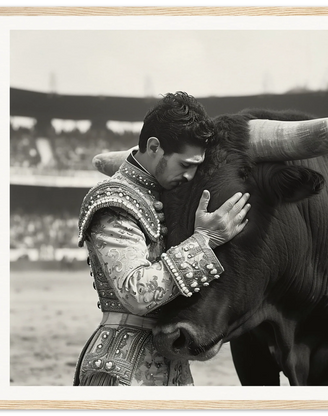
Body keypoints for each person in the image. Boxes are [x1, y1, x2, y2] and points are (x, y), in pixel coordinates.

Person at [74, 92, 251, 386]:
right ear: (154, 147)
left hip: (172, 367)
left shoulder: (167, 194)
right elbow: (136, 293)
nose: (191, 175)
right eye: (185, 165)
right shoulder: (115, 200)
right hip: (121, 369)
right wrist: (204, 241)